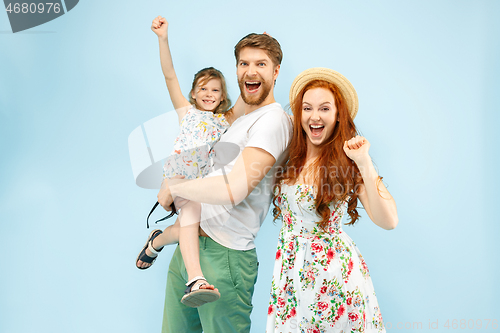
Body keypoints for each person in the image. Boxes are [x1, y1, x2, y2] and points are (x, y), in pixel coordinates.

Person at [157, 33, 292, 333]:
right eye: (244, 63)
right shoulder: (239, 118)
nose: (251, 70)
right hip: (190, 248)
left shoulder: (272, 122)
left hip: (225, 255)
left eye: (261, 63)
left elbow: (235, 188)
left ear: (276, 71)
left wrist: (174, 187)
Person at [266, 68, 398, 332]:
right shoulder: (292, 157)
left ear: (338, 115)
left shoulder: (347, 161)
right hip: (289, 271)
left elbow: (389, 221)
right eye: (307, 108)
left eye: (325, 109)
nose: (315, 116)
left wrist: (364, 162)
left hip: (330, 275)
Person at [136, 16, 242, 307]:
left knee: (190, 225)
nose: (208, 94)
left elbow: (249, 98)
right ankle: (195, 279)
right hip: (177, 179)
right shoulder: (187, 112)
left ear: (222, 97)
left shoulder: (224, 121)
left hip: (201, 184)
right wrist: (163, 39)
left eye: (215, 90)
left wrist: (265, 56)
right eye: (203, 89)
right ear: (194, 93)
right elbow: (170, 76)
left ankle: (156, 241)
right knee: (192, 210)